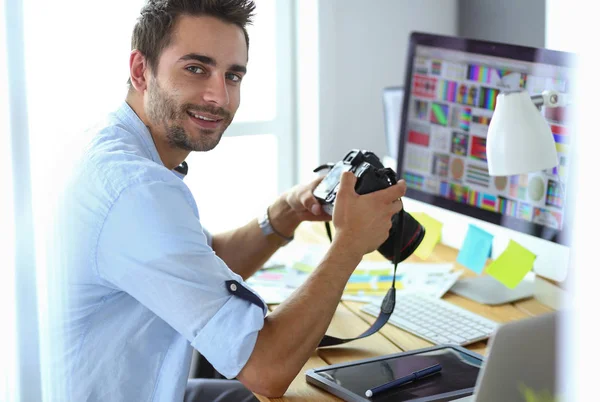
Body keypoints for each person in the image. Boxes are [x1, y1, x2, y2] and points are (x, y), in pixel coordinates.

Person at [56, 0, 407, 401]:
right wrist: (349, 245)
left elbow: (206, 261)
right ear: (141, 71)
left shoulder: (109, 145)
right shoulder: (136, 191)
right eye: (196, 69)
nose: (218, 97)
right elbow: (267, 369)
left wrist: (285, 213)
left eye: (233, 76)